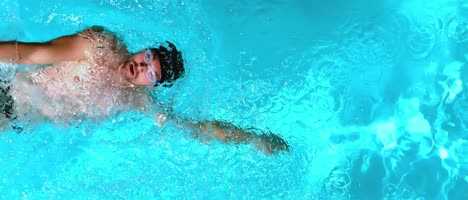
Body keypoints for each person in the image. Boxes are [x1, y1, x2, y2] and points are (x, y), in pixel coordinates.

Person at [0, 26, 289, 154]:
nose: (141, 67)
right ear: (143, 49)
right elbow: (29, 53)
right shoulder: (98, 47)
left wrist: (252, 138)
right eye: (146, 58)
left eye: (152, 74)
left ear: (153, 85)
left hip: (15, 122)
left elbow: (196, 129)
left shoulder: (136, 99)